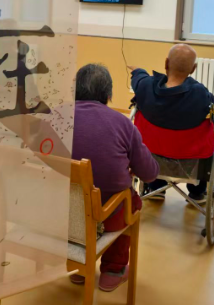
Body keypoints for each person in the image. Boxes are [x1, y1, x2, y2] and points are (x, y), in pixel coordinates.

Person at [71, 64, 159, 293]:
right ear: (108, 95)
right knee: (130, 200)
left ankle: (78, 264)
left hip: (62, 213)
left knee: (73, 195)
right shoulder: (122, 124)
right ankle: (113, 270)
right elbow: (150, 173)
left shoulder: (55, 117)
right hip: (104, 216)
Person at [128, 43, 214, 203]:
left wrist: (138, 71)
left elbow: (139, 79)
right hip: (191, 160)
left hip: (151, 157)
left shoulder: (146, 87)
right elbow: (212, 101)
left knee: (154, 143)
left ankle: (155, 186)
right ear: (193, 68)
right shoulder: (199, 93)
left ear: (166, 63)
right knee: (202, 148)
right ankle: (197, 192)